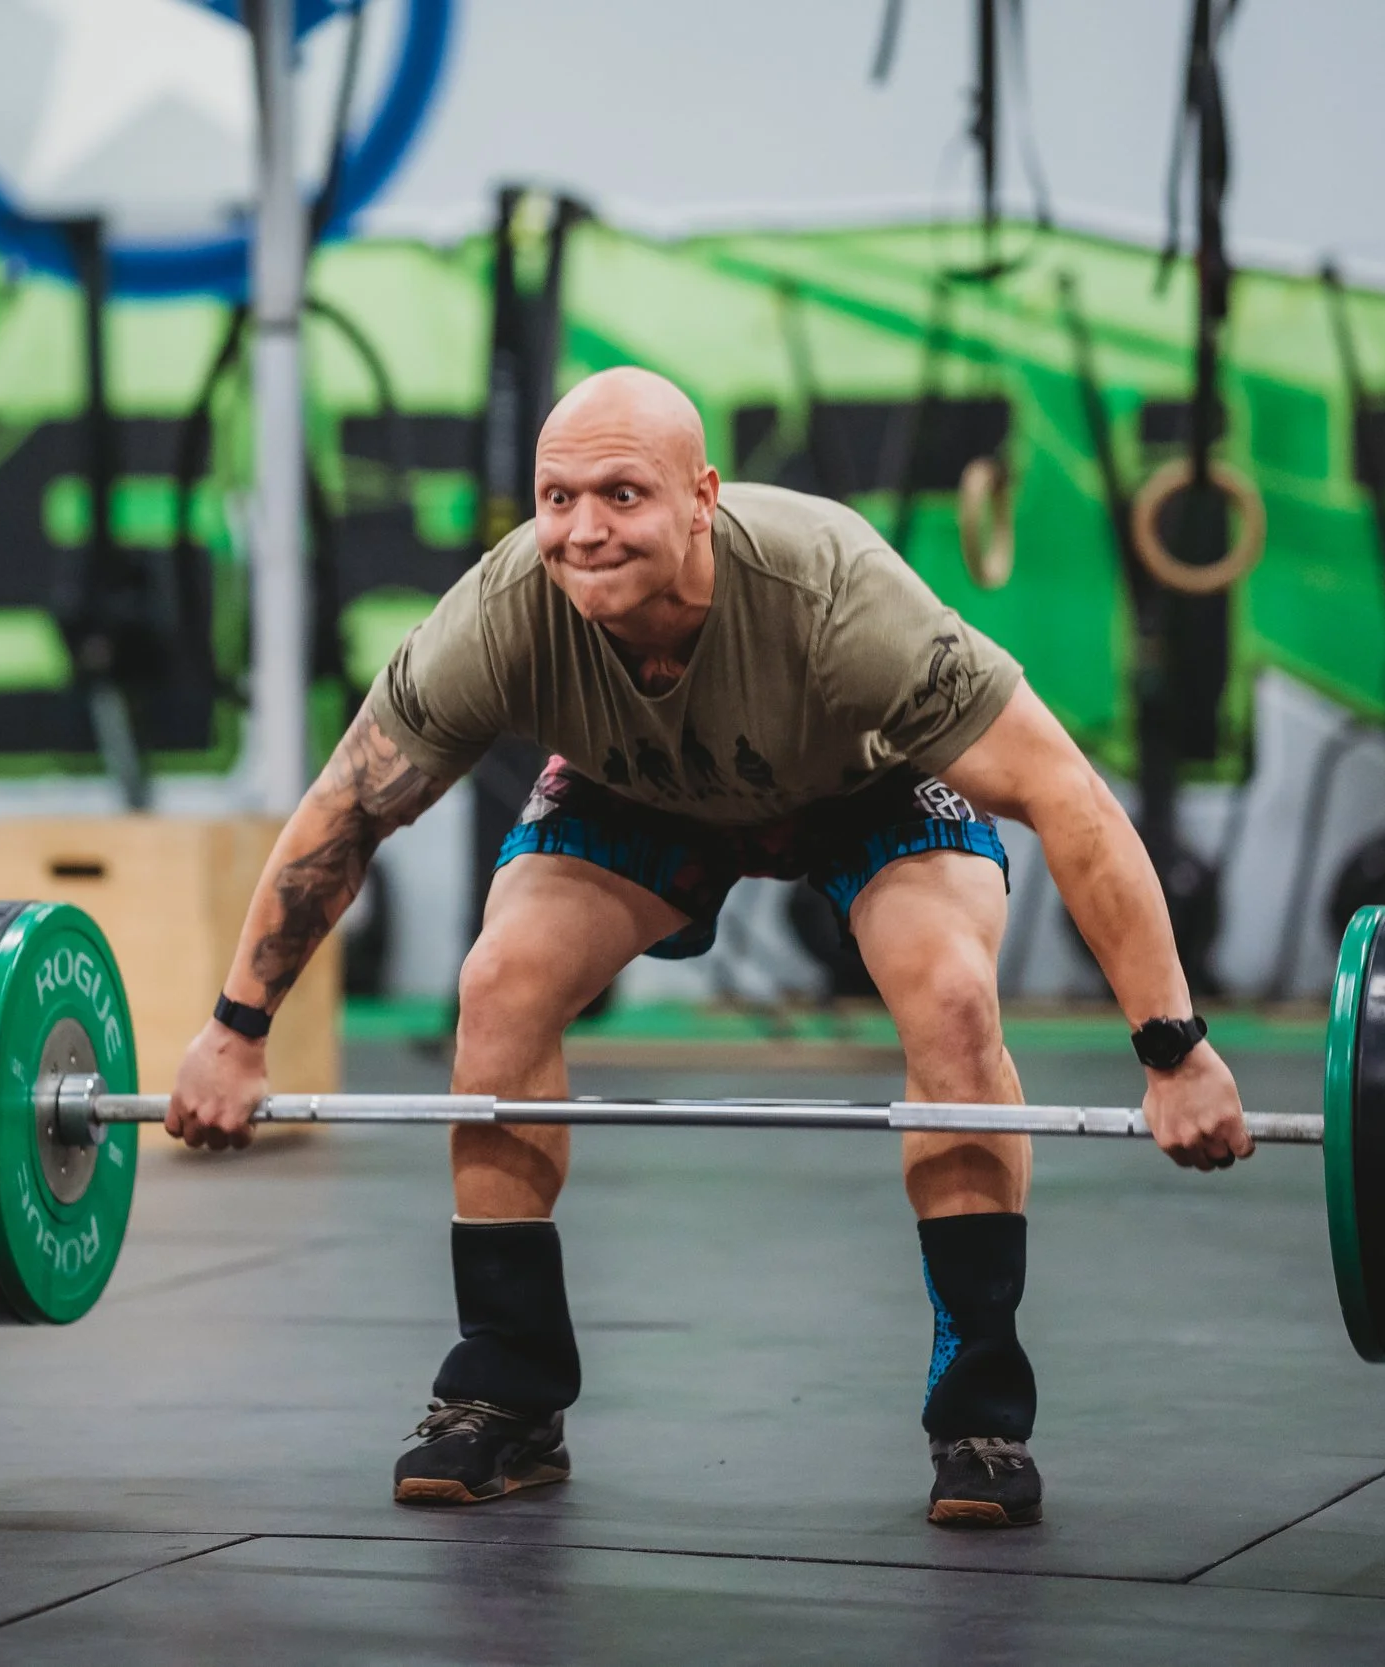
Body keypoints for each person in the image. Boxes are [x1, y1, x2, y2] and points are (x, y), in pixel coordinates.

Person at [167, 366, 1250, 1529]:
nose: (583, 530)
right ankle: (509, 1393)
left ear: (702, 499)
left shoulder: (834, 595)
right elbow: (347, 807)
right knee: (499, 984)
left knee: (949, 997)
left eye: (622, 494)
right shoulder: (502, 610)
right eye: (557, 496)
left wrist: (1174, 1048)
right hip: (637, 794)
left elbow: (1067, 798)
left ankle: (979, 1413)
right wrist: (235, 1030)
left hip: (865, 783)